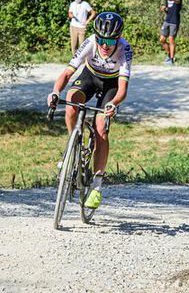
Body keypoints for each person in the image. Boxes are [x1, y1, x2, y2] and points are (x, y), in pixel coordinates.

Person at [47, 12, 133, 209]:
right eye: (101, 39)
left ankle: (96, 185)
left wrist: (114, 104)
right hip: (89, 76)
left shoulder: (124, 49)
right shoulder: (90, 43)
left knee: (101, 128)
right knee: (70, 101)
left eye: (110, 40)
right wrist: (54, 92)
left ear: (118, 38)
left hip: (111, 84)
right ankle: (72, 145)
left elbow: (122, 89)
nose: (104, 45)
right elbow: (67, 73)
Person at [159, 0, 182, 65]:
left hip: (174, 22)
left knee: (171, 39)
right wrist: (164, 9)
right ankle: (169, 55)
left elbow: (177, 2)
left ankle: (172, 60)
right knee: (162, 39)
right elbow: (168, 10)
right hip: (167, 21)